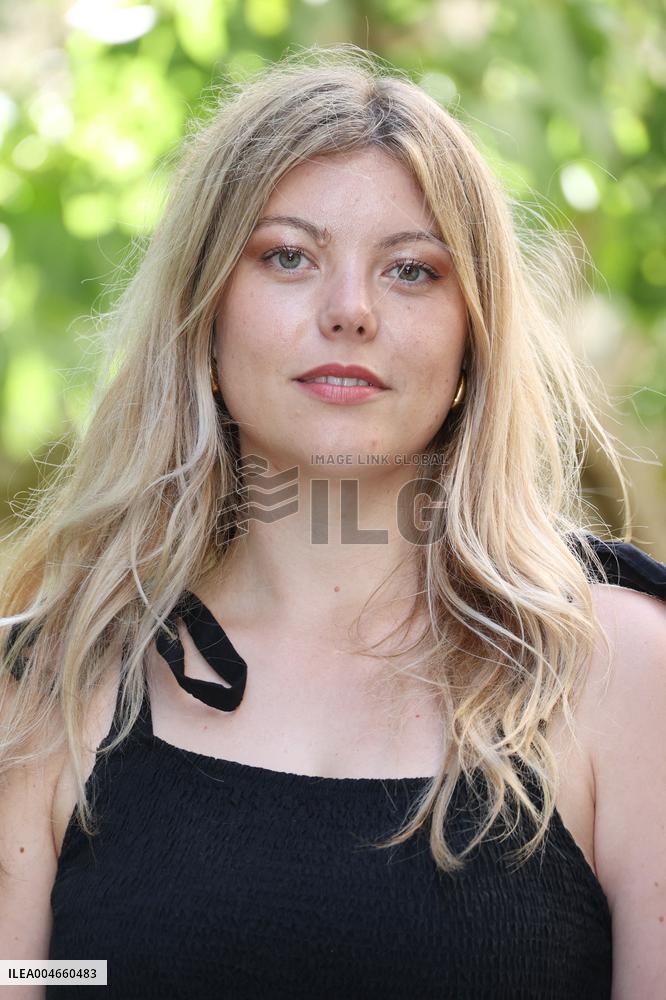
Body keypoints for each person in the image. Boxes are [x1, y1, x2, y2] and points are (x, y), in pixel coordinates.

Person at [1, 44, 665, 1000]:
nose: (349, 310)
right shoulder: (50, 685)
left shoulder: (619, 674)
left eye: (410, 271)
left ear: (472, 336)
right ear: (205, 315)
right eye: (288, 257)